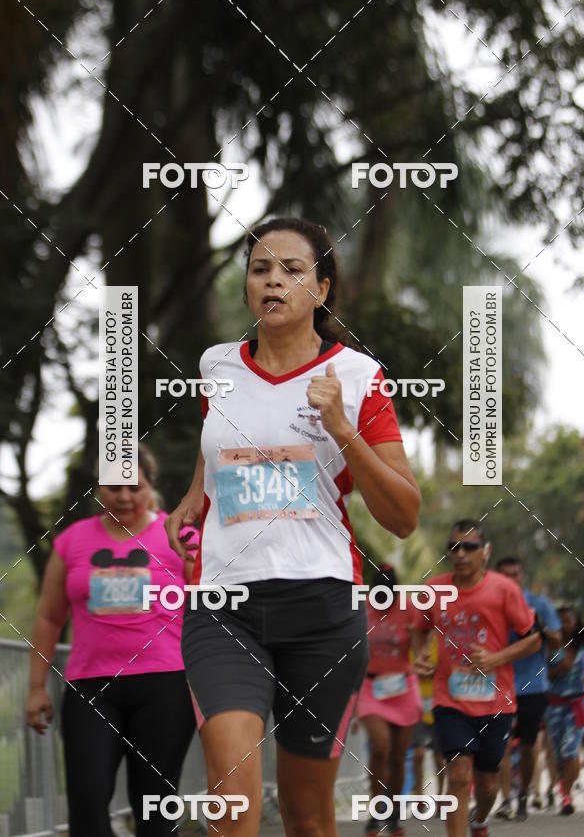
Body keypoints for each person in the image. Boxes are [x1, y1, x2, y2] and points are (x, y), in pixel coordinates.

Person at [165, 216, 421, 837]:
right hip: (225, 606)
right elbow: (217, 440)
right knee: (232, 804)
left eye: (291, 270)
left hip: (323, 610)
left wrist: (342, 430)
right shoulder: (216, 366)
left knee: (308, 818)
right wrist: (194, 495)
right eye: (260, 269)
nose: (272, 281)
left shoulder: (358, 377)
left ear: (322, 289)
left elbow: (405, 515)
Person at [26, 445, 198, 837]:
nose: (123, 496)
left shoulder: (181, 535)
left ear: (150, 487)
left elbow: (211, 609)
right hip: (91, 687)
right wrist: (37, 687)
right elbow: (49, 617)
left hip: (166, 684)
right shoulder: (71, 542)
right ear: (98, 488)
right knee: (87, 797)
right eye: (113, 486)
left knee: (153, 802)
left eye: (134, 487)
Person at [413, 520, 542, 837]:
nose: (461, 553)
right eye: (454, 547)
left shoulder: (504, 589)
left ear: (486, 552)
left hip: (496, 702)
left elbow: (535, 639)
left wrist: (497, 658)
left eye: (469, 547)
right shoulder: (434, 589)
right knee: (457, 775)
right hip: (450, 700)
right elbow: (419, 628)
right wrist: (421, 655)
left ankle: (480, 820)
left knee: (486, 784)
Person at [356, 563, 423, 837]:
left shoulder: (408, 609)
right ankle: (376, 810)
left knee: (398, 757)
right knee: (380, 748)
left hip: (403, 688)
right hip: (371, 687)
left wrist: (421, 660)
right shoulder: (362, 610)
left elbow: (419, 647)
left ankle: (393, 813)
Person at [493, 556, 561, 821]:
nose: (510, 580)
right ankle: (506, 799)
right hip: (499, 686)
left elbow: (556, 639)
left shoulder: (539, 604)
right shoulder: (491, 603)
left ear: (523, 577)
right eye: (504, 575)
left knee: (529, 745)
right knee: (502, 743)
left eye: (515, 575)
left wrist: (537, 626)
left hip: (534, 685)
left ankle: (523, 795)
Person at [545, 605, 584, 815]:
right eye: (560, 620)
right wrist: (559, 669)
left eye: (569, 620)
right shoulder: (550, 646)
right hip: (555, 705)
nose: (565, 625)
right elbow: (541, 677)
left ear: (576, 623)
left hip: (579, 704)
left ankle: (567, 795)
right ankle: (564, 783)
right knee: (558, 753)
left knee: (569, 750)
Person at [410, 634, 445, 811]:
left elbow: (447, 667)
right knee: (418, 753)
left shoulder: (441, 640)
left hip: (438, 703)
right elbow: (406, 668)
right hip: (416, 706)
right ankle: (419, 797)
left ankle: (440, 796)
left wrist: (434, 670)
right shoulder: (412, 641)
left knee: (440, 756)